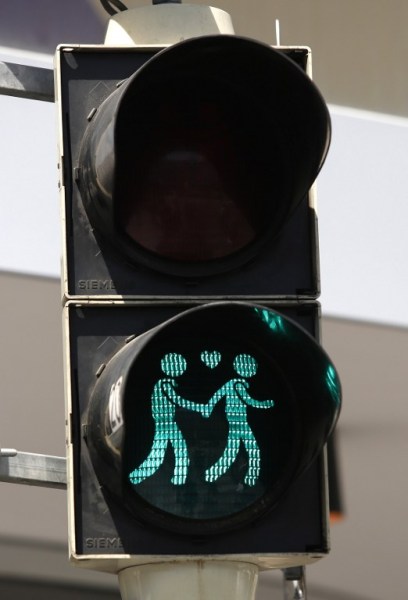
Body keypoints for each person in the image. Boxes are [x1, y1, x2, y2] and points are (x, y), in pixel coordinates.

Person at [128, 352, 202, 486]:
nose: (182, 369)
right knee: (162, 453)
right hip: (165, 423)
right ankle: (137, 476)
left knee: (172, 451)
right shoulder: (164, 384)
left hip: (166, 422)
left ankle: (178, 477)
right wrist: (199, 408)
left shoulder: (164, 383)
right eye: (179, 366)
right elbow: (178, 400)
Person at [204, 353, 274, 486]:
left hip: (236, 422)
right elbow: (248, 400)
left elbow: (217, 394)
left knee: (234, 451)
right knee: (251, 450)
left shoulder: (233, 383)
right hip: (239, 423)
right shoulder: (237, 384)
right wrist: (265, 404)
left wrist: (209, 407)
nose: (252, 370)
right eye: (251, 367)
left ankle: (212, 474)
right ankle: (250, 476)